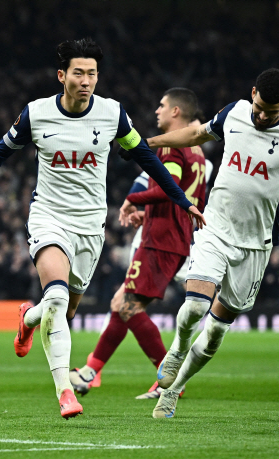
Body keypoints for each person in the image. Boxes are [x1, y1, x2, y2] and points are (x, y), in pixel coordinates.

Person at [0, 38, 205, 419]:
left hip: (91, 224)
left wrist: (183, 200)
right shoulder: (36, 114)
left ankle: (28, 318)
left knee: (63, 308)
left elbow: (144, 154)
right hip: (49, 216)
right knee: (58, 300)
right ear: (62, 75)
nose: (86, 80)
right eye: (78, 72)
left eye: (92, 73)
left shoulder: (113, 115)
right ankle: (65, 391)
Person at [139, 68, 279, 418]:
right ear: (253, 93)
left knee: (218, 330)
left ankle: (172, 391)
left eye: (273, 110)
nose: (264, 115)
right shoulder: (234, 112)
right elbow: (195, 134)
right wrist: (150, 144)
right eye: (261, 106)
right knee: (193, 307)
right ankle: (175, 350)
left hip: (255, 245)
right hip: (215, 227)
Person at [69, 88, 207, 399]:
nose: (156, 111)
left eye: (161, 105)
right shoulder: (197, 150)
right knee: (121, 304)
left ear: (176, 112)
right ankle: (90, 371)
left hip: (161, 239)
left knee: (128, 307)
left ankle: (169, 378)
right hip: (172, 233)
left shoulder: (172, 148)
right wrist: (152, 213)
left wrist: (133, 200)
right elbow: (187, 194)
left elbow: (167, 188)